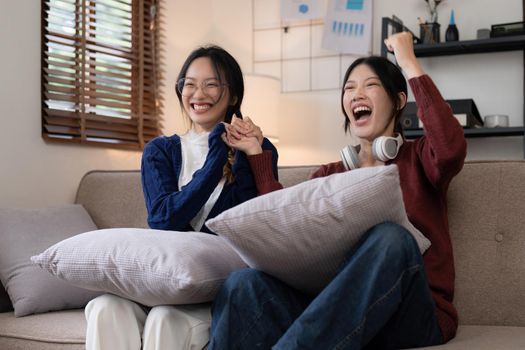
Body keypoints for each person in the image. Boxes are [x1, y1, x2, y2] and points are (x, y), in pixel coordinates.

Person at [208, 31, 467, 349]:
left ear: (399, 101)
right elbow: (282, 223)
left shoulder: (421, 158)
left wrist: (408, 61)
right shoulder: (329, 175)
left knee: (391, 239)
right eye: (349, 88)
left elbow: (451, 147)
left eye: (370, 85)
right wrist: (255, 152)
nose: (357, 93)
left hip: (412, 313)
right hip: (339, 314)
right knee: (242, 283)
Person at [84, 45, 281, 350]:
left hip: (210, 291)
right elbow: (163, 218)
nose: (198, 93)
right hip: (159, 281)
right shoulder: (160, 151)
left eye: (211, 84)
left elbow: (252, 220)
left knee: (165, 318)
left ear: (234, 96)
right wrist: (217, 151)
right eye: (189, 84)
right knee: (103, 307)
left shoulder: (256, 146)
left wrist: (244, 151)